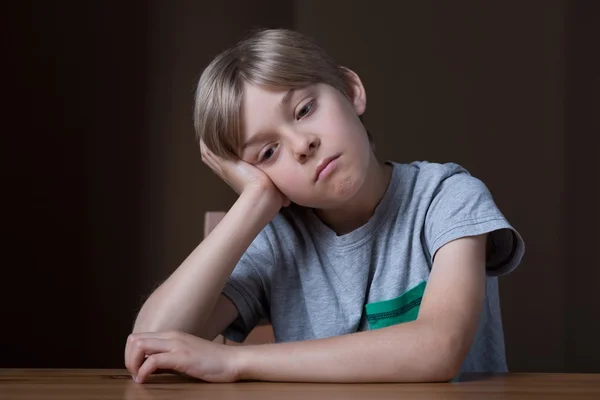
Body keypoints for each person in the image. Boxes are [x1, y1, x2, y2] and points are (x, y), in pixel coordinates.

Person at [124, 28, 525, 384]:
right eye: (267, 152)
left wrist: (236, 360)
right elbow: (150, 346)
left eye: (304, 110)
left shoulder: (447, 196)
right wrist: (255, 202)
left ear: (352, 91)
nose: (302, 145)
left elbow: (439, 348)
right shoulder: (276, 240)